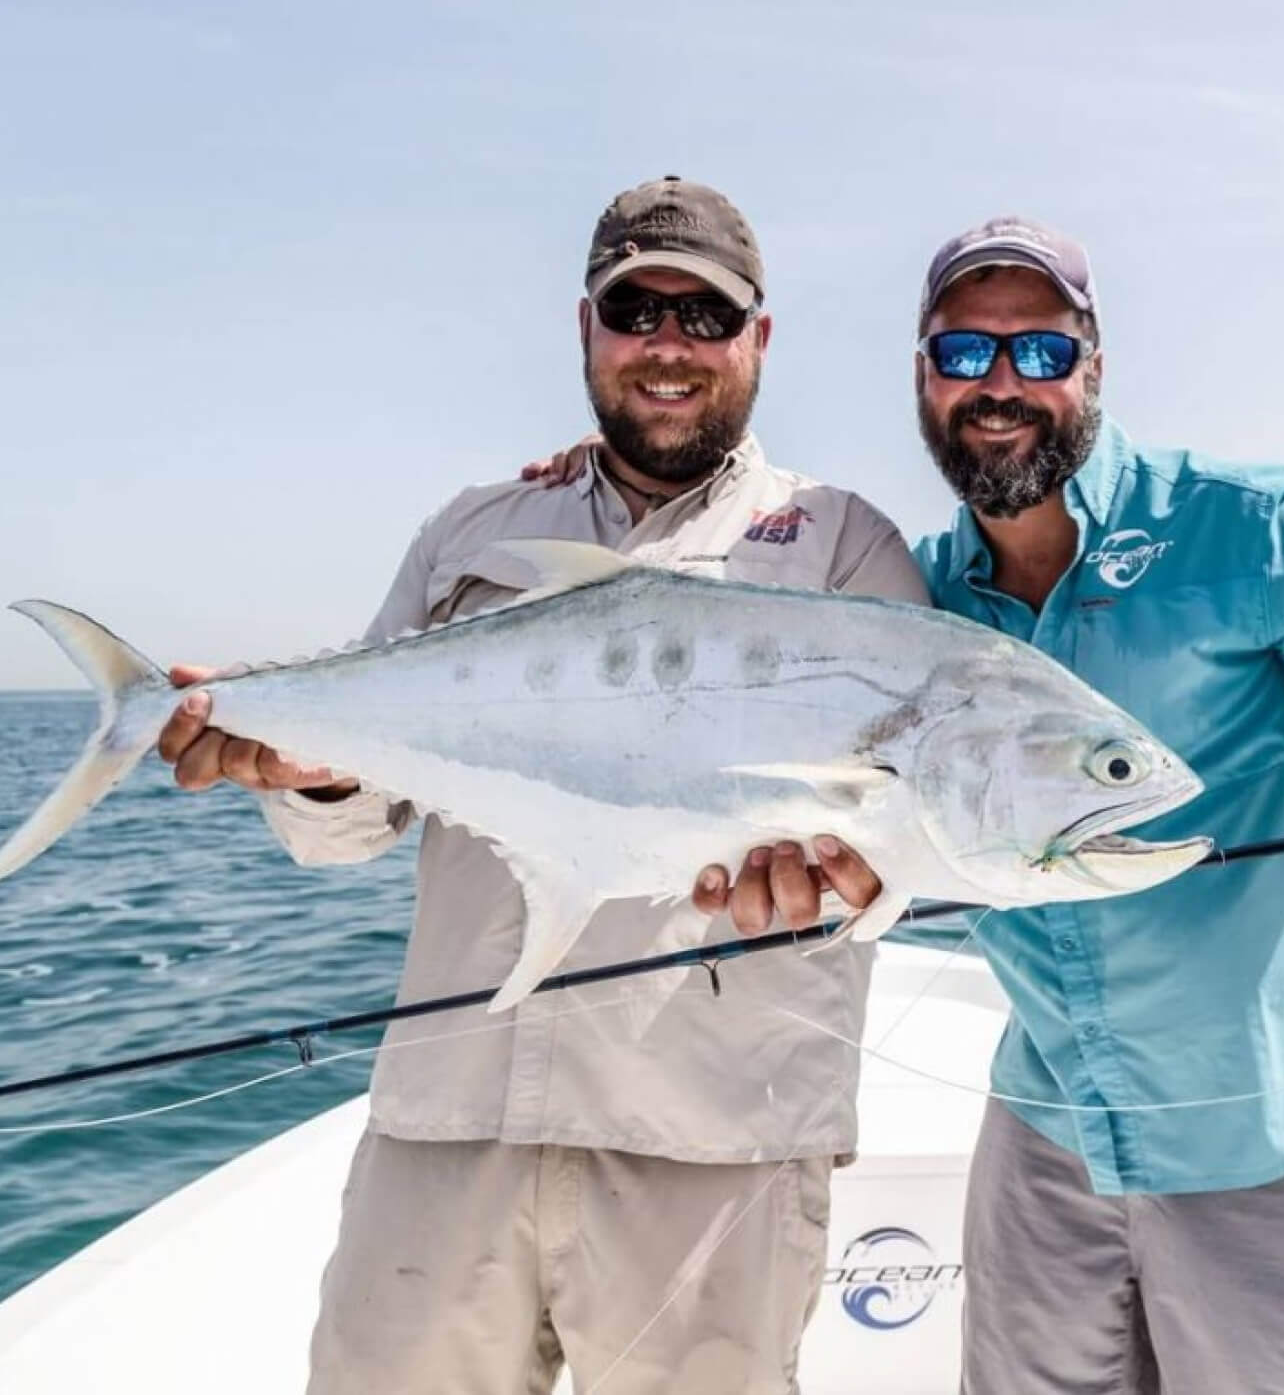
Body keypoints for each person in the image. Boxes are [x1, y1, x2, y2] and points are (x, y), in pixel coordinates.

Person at [532, 216, 1284, 1391]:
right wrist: (597, 473)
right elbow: (728, 630)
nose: (999, 385)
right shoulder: (911, 596)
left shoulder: (1243, 525)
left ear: (1092, 364)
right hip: (1047, 1124)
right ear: (923, 377)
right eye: (965, 355)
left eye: (1039, 352)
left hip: (1266, 1132)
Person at [155, 177, 923, 1395]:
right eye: (637, 311)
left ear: (758, 341)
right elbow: (349, 829)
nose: (669, 348)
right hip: (449, 1123)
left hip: (714, 1141)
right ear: (586, 329)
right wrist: (304, 778)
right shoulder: (471, 533)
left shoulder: (841, 547)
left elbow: (899, 836)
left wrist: (840, 877)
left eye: (706, 319)